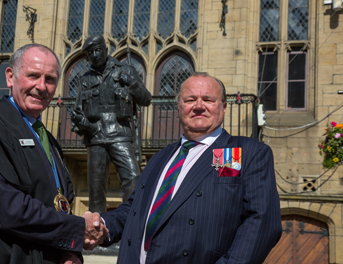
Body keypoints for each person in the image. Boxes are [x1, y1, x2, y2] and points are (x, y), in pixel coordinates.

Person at [0, 44, 106, 264]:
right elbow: (8, 209)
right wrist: (78, 230)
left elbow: (58, 206)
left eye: (50, 79)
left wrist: (69, 252)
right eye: (33, 76)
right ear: (10, 77)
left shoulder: (48, 141)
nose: (41, 86)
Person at [96, 72, 282, 263]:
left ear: (224, 107)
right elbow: (135, 209)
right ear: (179, 107)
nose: (199, 106)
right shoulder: (160, 158)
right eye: (190, 99)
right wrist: (103, 224)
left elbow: (263, 222)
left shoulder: (241, 152)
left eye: (208, 99)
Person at [72, 35, 151, 213]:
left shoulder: (125, 70)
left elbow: (146, 99)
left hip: (120, 133)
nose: (95, 54)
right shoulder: (85, 80)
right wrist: (80, 121)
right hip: (95, 136)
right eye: (90, 52)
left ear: (106, 49)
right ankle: (96, 230)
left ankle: (131, 219)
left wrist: (131, 83)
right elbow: (78, 110)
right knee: (96, 187)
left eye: (98, 49)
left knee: (133, 178)